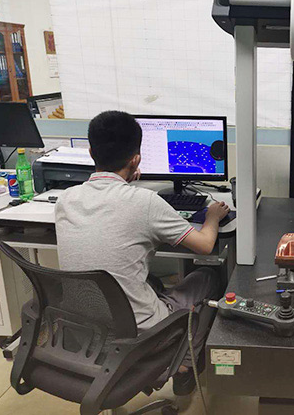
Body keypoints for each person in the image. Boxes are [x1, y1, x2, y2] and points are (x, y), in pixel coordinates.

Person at [55, 110, 229, 395]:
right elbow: (205, 245)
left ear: (91, 153)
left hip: (84, 331)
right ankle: (185, 364)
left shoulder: (66, 200)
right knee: (207, 277)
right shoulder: (145, 203)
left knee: (151, 282)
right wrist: (212, 216)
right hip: (139, 335)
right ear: (136, 160)